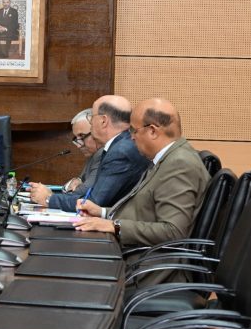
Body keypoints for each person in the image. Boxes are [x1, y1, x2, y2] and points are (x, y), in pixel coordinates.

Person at [75, 99, 211, 269]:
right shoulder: (166, 158)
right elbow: (144, 212)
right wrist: (102, 212)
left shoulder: (179, 164)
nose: (131, 137)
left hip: (149, 268)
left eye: (133, 130)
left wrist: (115, 226)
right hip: (136, 257)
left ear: (152, 131)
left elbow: (173, 231)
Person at [29, 95, 150, 212]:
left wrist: (49, 199)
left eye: (92, 117)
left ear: (103, 121)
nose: (90, 122)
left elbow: (94, 202)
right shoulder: (121, 144)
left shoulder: (120, 151)